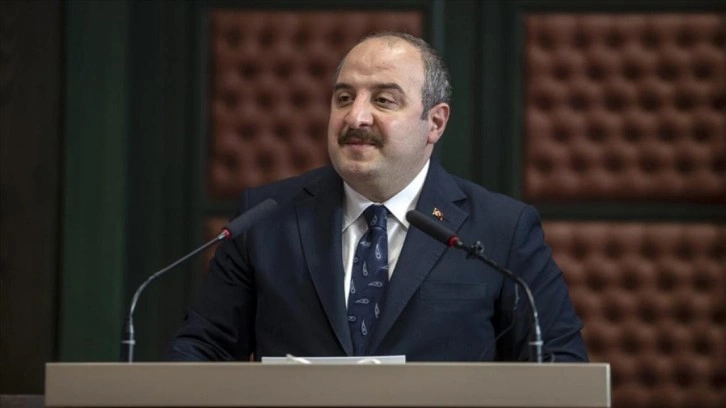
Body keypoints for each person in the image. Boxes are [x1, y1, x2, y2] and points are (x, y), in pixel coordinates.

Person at [169, 32, 588, 362]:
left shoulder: (502, 229)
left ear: (435, 123)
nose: (356, 116)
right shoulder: (265, 217)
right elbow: (201, 350)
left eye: (383, 100)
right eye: (344, 98)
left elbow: (557, 362)